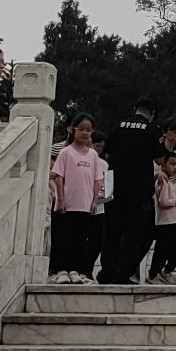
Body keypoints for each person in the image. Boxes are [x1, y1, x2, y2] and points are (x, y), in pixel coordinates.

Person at [97, 96, 160, 284]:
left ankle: (107, 272)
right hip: (139, 190)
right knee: (135, 233)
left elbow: (108, 152)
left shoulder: (119, 127)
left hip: (116, 188)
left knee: (112, 230)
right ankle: (123, 272)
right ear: (152, 114)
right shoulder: (151, 130)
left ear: (135, 108)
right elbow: (159, 158)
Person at [47, 115, 106, 283]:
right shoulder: (66, 153)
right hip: (67, 205)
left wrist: (95, 200)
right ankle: (61, 269)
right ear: (74, 130)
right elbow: (59, 177)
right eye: (82, 129)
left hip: (85, 205)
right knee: (64, 237)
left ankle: (76, 269)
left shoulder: (93, 155)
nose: (85, 133)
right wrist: (61, 200)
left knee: (81, 239)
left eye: (89, 130)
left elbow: (97, 180)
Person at [147, 151, 176, 283]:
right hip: (166, 222)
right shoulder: (163, 180)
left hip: (172, 220)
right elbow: (163, 202)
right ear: (163, 165)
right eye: (172, 164)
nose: (175, 168)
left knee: (165, 249)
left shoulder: (170, 181)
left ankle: (156, 273)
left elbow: (167, 199)